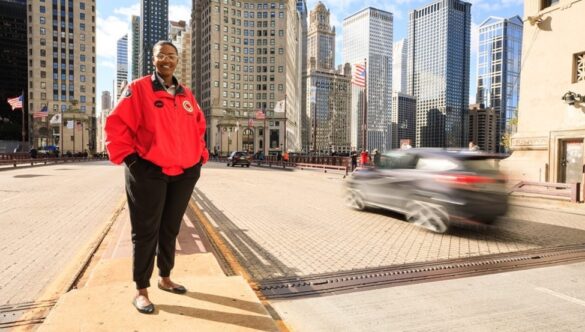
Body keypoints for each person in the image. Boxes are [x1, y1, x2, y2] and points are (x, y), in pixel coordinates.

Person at [105, 40, 208, 314]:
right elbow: (116, 125)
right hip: (148, 171)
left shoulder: (186, 94)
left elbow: (199, 127)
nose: (166, 60)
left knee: (170, 228)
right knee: (145, 231)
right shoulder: (138, 88)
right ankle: (141, 289)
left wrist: (200, 159)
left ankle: (165, 277)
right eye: (161, 55)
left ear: (177, 60)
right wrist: (132, 161)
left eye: (171, 56)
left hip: (184, 173)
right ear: (153, 59)